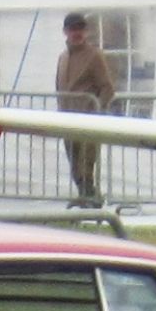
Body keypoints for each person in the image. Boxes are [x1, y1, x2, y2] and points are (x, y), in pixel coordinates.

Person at [55, 11, 117, 205]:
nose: (77, 33)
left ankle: (91, 199)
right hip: (67, 120)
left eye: (80, 29)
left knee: (86, 164)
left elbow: (107, 87)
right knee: (74, 164)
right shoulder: (63, 57)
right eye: (73, 29)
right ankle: (86, 198)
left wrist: (97, 111)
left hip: (88, 120)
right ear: (65, 31)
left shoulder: (94, 56)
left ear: (86, 31)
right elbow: (59, 87)